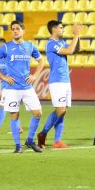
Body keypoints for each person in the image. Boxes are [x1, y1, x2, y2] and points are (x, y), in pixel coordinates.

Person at [0, 20, 44, 153]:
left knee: (38, 113)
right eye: (13, 29)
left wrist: (35, 75)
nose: (15, 31)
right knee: (14, 116)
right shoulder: (6, 47)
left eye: (17, 28)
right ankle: (18, 146)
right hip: (12, 88)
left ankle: (30, 140)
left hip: (27, 87)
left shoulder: (30, 46)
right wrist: (4, 77)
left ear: (23, 31)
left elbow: (41, 61)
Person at [37, 20, 82, 149]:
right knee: (60, 110)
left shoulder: (61, 42)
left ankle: (57, 141)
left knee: (63, 111)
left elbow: (76, 48)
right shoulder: (51, 44)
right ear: (54, 29)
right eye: (61, 27)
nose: (63, 30)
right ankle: (43, 133)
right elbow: (69, 51)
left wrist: (78, 35)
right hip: (57, 81)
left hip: (65, 80)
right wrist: (75, 35)